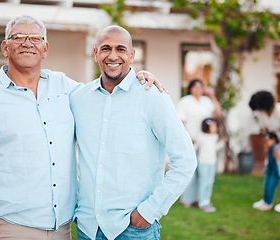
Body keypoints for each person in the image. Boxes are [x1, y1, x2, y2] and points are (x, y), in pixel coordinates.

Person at [0, 15, 163, 240]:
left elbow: (106, 90)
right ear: (5, 47)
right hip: (13, 226)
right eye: (18, 37)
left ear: (45, 49)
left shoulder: (66, 88)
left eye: (35, 38)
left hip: (62, 227)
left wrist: (137, 80)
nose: (27, 43)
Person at [70, 25, 197, 240]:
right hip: (87, 228)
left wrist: (149, 212)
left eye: (120, 49)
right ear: (95, 54)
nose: (113, 56)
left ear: (132, 55)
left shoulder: (152, 96)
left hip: (132, 230)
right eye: (105, 48)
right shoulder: (78, 98)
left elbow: (185, 160)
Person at [249, 91, 280, 213]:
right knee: (271, 169)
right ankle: (267, 200)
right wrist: (267, 141)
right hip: (274, 141)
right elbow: (264, 128)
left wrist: (278, 149)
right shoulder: (262, 112)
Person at [176, 79, 222, 208]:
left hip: (205, 142)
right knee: (190, 172)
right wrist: (187, 137)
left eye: (201, 87)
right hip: (190, 141)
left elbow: (218, 113)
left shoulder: (206, 102)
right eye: (196, 87)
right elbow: (181, 121)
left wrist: (212, 96)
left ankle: (199, 199)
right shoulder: (185, 101)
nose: (198, 89)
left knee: (202, 173)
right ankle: (186, 200)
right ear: (190, 88)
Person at [195, 118, 225, 212]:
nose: (215, 128)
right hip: (203, 162)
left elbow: (215, 148)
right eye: (213, 126)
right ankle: (202, 202)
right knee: (203, 182)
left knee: (209, 181)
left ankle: (207, 201)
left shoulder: (215, 137)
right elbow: (195, 147)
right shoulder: (201, 136)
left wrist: (222, 143)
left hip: (212, 162)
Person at [253, 132, 280, 211]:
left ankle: (268, 203)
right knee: (266, 185)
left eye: (267, 142)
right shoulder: (269, 149)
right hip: (269, 170)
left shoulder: (276, 148)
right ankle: (265, 200)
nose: (266, 144)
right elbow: (268, 160)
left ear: (273, 140)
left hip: (275, 171)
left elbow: (279, 161)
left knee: (271, 186)